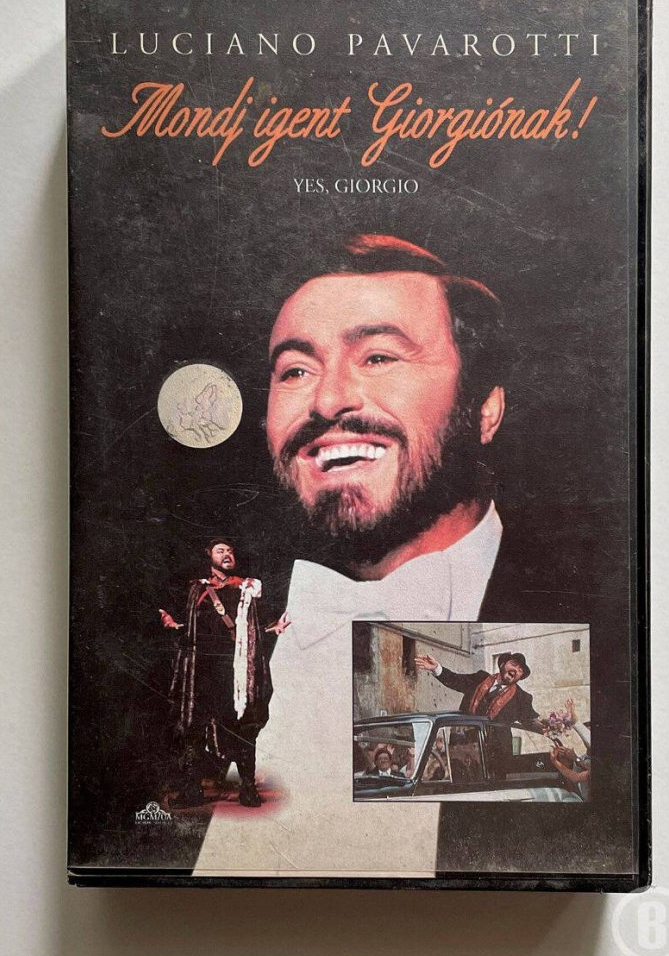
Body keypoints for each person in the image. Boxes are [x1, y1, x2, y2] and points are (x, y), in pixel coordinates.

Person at [194, 234, 582, 875]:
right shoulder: (216, 622)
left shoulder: (593, 608)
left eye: (378, 357)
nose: (326, 400)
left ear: (485, 410)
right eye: (295, 371)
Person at [157, 538, 289, 808]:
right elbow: (184, 623)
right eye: (221, 551)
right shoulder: (196, 589)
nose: (227, 554)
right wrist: (170, 622)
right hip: (201, 671)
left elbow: (261, 624)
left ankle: (248, 788)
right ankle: (192, 790)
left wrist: (274, 628)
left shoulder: (247, 588)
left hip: (236, 672)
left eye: (230, 550)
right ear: (210, 556)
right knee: (194, 728)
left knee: (243, 728)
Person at [413, 652, 541, 729]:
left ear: (520, 677)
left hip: (496, 753)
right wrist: (436, 668)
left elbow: (531, 721)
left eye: (520, 670)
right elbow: (455, 680)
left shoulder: (521, 698)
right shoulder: (480, 678)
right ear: (502, 664)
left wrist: (550, 724)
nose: (516, 670)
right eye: (513, 664)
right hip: (465, 744)